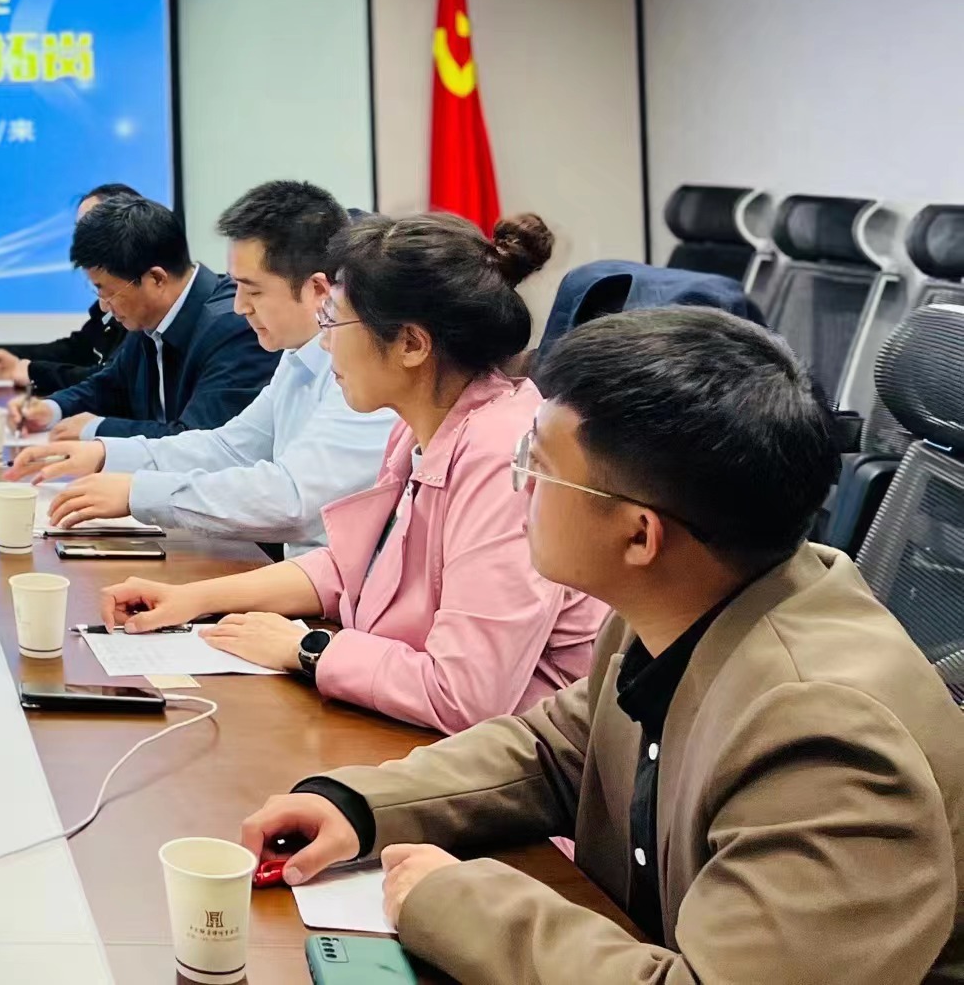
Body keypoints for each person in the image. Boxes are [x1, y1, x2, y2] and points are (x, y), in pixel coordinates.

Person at [242, 308, 964, 984]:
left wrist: (454, 902)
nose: (519, 489)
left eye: (537, 467)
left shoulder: (825, 740)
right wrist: (358, 805)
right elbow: (559, 750)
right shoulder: (681, 604)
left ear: (639, 535)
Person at [96, 212, 605, 733]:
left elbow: (465, 693)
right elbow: (352, 569)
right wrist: (194, 600)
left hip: (524, 755)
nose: (324, 344)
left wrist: (308, 649)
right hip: (428, 731)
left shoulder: (501, 458)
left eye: (333, 322)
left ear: (411, 344)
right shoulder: (422, 426)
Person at [7, 181, 394, 552]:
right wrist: (107, 454)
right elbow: (229, 447)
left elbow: (294, 500)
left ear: (318, 290)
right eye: (237, 286)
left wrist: (139, 492)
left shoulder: (365, 369)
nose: (240, 306)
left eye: (253, 290)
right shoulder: (297, 354)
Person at [8, 193, 277, 442]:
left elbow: (201, 441)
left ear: (156, 279)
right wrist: (52, 409)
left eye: (109, 292)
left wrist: (96, 429)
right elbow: (111, 384)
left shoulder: (233, 327)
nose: (104, 305)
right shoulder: (149, 317)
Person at [0, 182, 140, 393]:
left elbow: (111, 381)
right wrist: (14, 357)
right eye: (79, 229)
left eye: (89, 228)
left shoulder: (139, 308)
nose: (80, 239)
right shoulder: (105, 305)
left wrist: (32, 372)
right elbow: (77, 349)